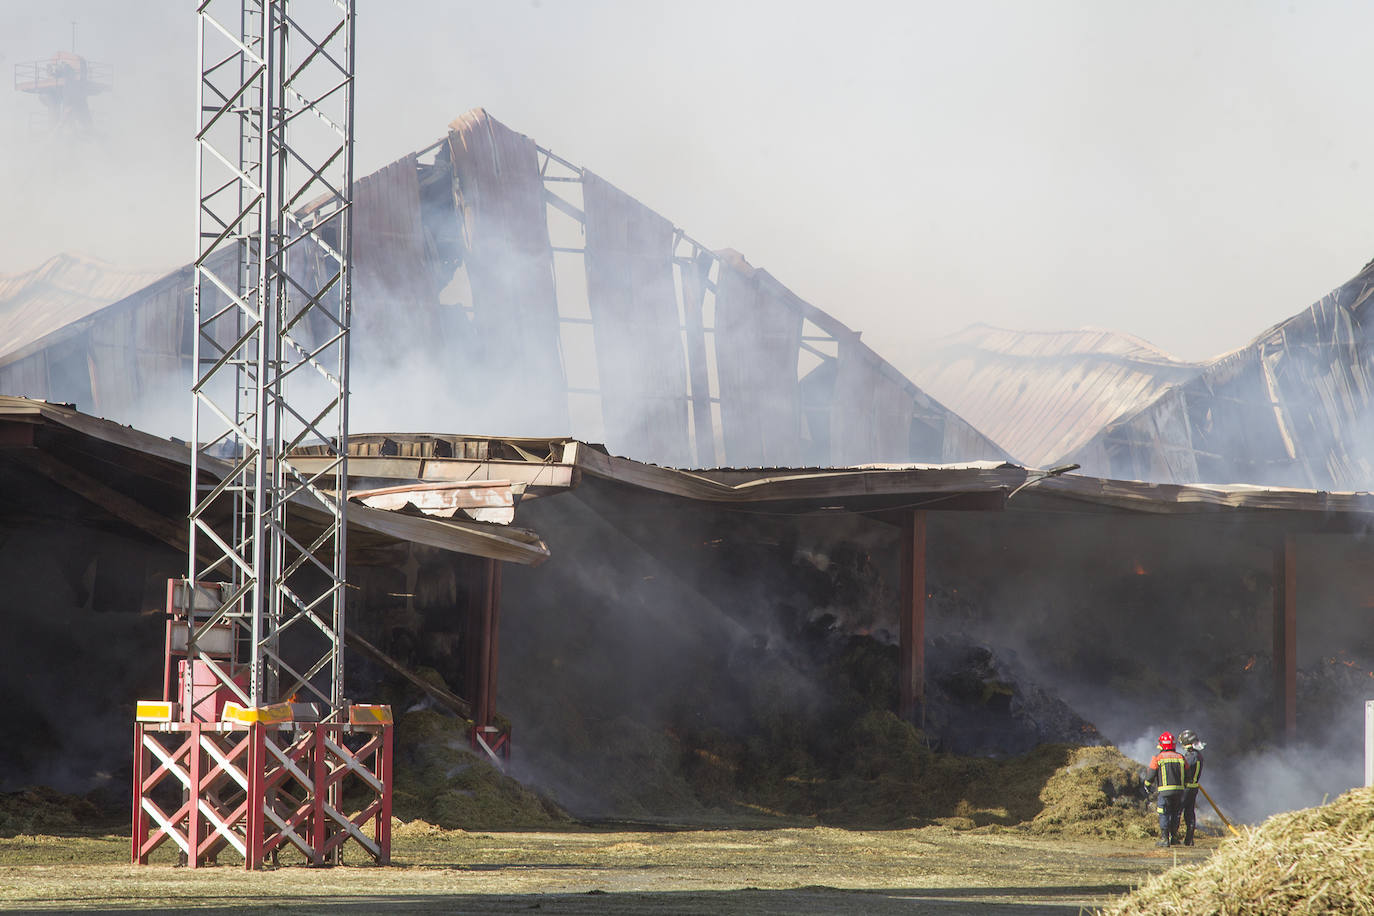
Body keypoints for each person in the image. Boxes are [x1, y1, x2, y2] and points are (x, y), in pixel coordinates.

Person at [1144, 731, 1187, 847]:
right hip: (1179, 792)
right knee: (1175, 814)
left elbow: (1150, 775)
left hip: (1164, 792)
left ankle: (1164, 839)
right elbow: (1187, 774)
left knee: (1164, 814)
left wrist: (1147, 785)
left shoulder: (1158, 758)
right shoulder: (1181, 757)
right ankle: (1174, 838)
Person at [1178, 728, 1205, 846]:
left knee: (1178, 812)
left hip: (1186, 788)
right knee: (1190, 813)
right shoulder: (1198, 755)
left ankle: (1174, 837)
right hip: (1193, 788)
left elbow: (1183, 770)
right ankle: (1189, 839)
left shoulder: (1192, 756)